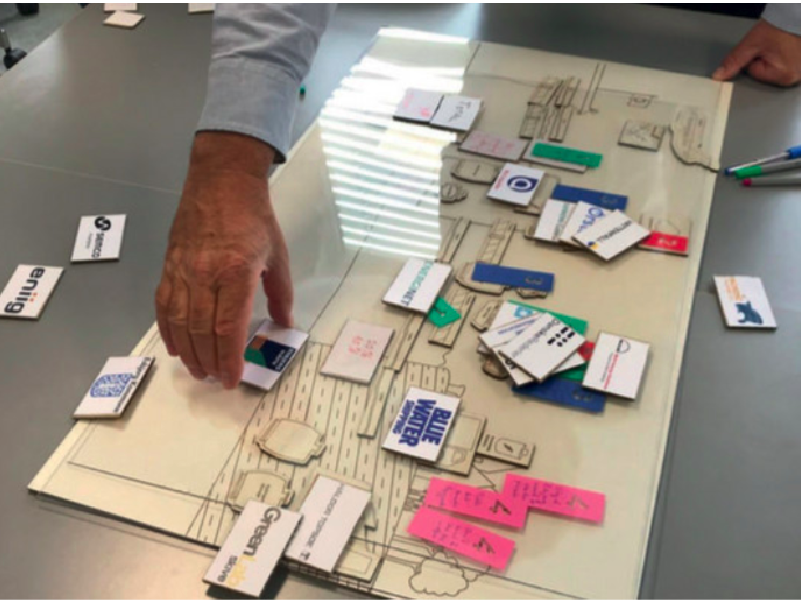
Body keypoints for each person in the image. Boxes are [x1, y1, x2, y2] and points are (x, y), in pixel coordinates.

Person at [155, 4, 801, 389]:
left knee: (667, 322)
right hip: (525, 28)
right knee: (492, 258)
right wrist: (227, 163)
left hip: (709, 33)